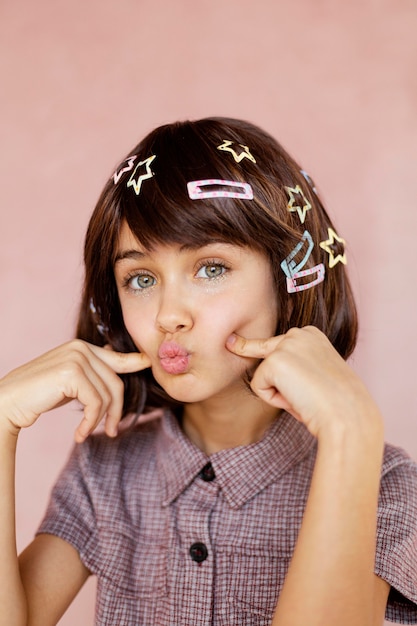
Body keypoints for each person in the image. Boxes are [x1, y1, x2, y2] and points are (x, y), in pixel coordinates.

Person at [0, 117, 416, 626]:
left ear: (288, 275)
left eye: (211, 268)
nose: (168, 314)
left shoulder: (385, 483)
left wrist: (351, 431)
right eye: (141, 278)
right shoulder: (104, 470)